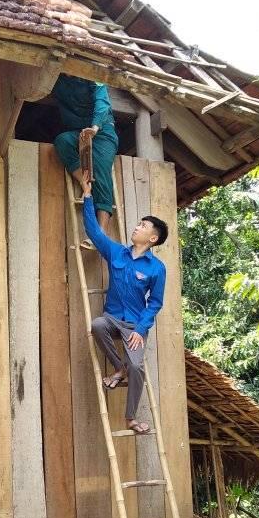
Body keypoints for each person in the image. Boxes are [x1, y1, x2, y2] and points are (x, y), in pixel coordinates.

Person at [81, 192, 169, 434]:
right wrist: (89, 197)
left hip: (134, 326)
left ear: (152, 238)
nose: (137, 227)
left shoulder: (157, 269)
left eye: (143, 226)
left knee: (137, 366)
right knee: (97, 325)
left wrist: (141, 329)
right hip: (111, 319)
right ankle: (118, 367)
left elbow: (155, 303)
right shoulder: (116, 252)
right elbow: (94, 232)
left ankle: (130, 418)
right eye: (138, 223)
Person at [52, 74, 119, 235]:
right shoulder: (56, 77)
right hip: (78, 131)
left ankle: (101, 232)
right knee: (62, 141)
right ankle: (84, 182)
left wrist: (95, 127)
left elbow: (102, 102)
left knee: (101, 171)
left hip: (102, 131)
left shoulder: (91, 72)